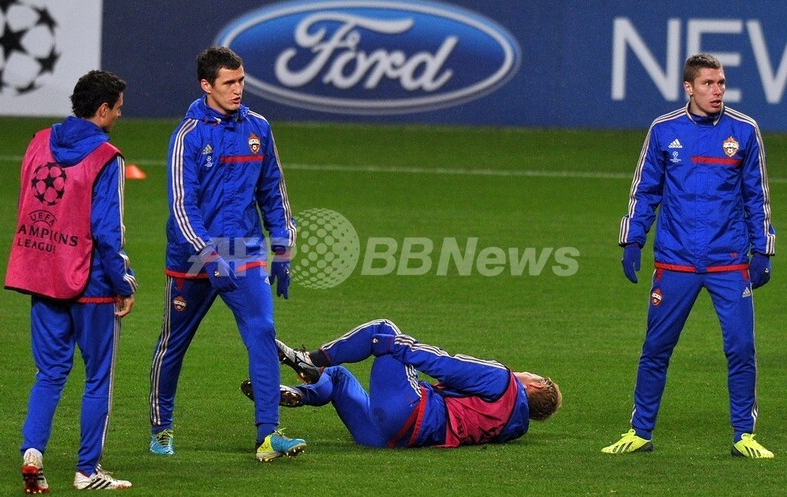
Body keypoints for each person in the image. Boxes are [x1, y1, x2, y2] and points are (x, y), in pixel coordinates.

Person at [603, 53, 776, 458]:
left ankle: (744, 435)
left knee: (741, 349)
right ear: (688, 87)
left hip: (729, 262)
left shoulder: (744, 130)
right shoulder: (664, 130)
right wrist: (632, 240)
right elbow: (645, 189)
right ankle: (640, 431)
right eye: (708, 84)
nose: (717, 91)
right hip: (675, 261)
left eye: (721, 83)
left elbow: (758, 196)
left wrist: (763, 249)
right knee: (656, 349)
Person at [148, 46, 304, 462]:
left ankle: (268, 435)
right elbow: (183, 206)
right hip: (193, 255)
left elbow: (273, 192)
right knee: (174, 343)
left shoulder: (258, 128)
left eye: (241, 81)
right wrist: (207, 254)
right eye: (229, 83)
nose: (238, 89)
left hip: (244, 251)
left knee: (263, 331)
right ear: (206, 85)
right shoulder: (188, 135)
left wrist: (282, 246)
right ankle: (161, 427)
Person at [5, 70, 137, 491]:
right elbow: (108, 232)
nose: (120, 115)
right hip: (91, 284)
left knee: (49, 372)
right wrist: (124, 283)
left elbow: (27, 202)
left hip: (44, 273)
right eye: (118, 108)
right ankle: (87, 471)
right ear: (103, 110)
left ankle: (32, 453)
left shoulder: (39, 141)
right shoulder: (106, 157)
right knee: (98, 377)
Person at [241, 319, 561, 449]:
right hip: (390, 438)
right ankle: (299, 394)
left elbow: (447, 365)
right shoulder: (514, 427)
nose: (525, 372)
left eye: (531, 374)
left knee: (384, 330)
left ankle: (309, 359)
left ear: (534, 385)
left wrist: (396, 345)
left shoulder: (504, 380)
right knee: (337, 378)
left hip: (411, 411)